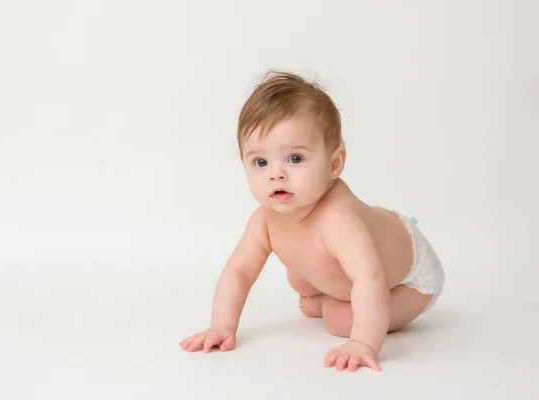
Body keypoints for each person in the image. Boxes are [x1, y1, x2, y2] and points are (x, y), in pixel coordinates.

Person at [179, 70, 445, 372]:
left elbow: (370, 279)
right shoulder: (264, 220)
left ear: (335, 164)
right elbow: (239, 272)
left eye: (295, 159)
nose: (276, 174)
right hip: (358, 256)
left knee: (338, 319)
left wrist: (363, 343)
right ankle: (327, 297)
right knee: (298, 276)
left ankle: (327, 304)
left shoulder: (338, 220)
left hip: (409, 279)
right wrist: (222, 326)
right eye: (260, 162)